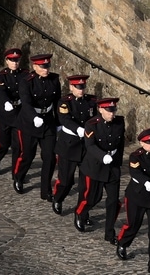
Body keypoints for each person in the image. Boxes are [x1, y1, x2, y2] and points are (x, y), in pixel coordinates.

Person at [74, 97, 124, 246]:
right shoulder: (91, 125)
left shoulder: (120, 122)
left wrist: (117, 162)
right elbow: (90, 145)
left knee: (113, 201)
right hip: (95, 166)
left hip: (112, 166)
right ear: (100, 110)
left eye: (113, 110)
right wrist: (103, 156)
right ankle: (80, 213)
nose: (112, 113)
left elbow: (120, 144)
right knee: (92, 198)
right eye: (109, 111)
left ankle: (109, 233)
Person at [116, 128, 150, 275]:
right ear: (141, 143)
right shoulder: (135, 156)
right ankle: (123, 243)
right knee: (133, 226)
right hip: (137, 195)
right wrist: (145, 182)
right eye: (148, 142)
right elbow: (135, 172)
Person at [13, 54, 61, 202]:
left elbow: (58, 101)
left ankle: (45, 190)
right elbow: (26, 103)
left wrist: (59, 122)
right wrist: (34, 117)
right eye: (42, 67)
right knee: (28, 155)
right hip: (29, 123)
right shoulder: (26, 82)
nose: (46, 69)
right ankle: (18, 177)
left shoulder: (54, 79)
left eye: (47, 66)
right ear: (34, 67)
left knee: (50, 157)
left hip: (48, 122)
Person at [52, 75, 97, 215]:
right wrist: (78, 129)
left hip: (85, 146)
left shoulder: (91, 101)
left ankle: (82, 211)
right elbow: (64, 119)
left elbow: (95, 118)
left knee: (85, 183)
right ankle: (58, 198)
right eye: (78, 88)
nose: (81, 90)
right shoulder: (65, 102)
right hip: (69, 145)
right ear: (71, 87)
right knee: (66, 181)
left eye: (82, 87)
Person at [0, 48, 29, 176]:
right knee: (3, 143)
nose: (14, 63)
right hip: (4, 115)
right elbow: (0, 91)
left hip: (19, 114)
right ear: (6, 61)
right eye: (12, 60)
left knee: (18, 146)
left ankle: (16, 172)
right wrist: (6, 102)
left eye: (17, 60)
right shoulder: (1, 75)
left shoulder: (25, 74)